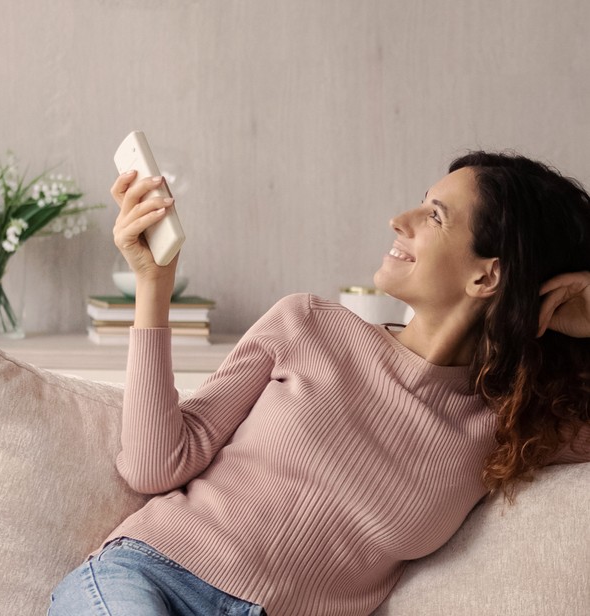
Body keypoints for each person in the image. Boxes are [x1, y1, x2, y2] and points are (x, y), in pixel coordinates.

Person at [48, 151, 590, 616]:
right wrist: (153, 282)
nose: (400, 220)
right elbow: (154, 464)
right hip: (147, 579)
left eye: (435, 216)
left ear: (487, 275)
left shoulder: (507, 425)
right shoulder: (306, 325)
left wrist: (584, 309)